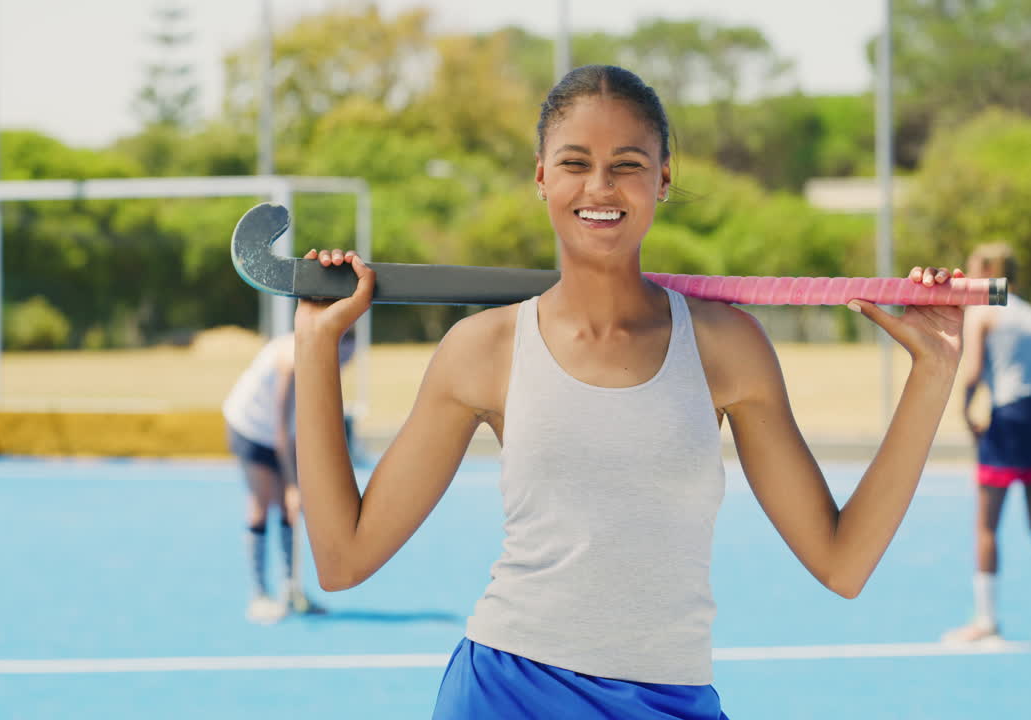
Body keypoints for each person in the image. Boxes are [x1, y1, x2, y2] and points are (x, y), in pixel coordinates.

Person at [292, 65, 965, 718]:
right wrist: (316, 347)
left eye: (628, 164)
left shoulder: (727, 347)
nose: (600, 186)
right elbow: (343, 558)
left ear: (663, 178)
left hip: (668, 699)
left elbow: (842, 563)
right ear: (541, 177)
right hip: (507, 694)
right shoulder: (483, 350)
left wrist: (933, 371)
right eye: (575, 162)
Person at [943, 243, 1031, 644]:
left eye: (971, 266)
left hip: (1008, 416)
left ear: (987, 270)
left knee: (986, 524)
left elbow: (972, 374)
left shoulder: (983, 310)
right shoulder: (1027, 311)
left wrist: (967, 415)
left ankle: (986, 621)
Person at [222, 328, 356, 623]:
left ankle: (291, 589)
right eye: (342, 359)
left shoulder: (319, 359)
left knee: (289, 510)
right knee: (262, 504)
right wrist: (295, 485)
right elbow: (281, 429)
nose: (343, 366)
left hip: (279, 434)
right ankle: (258, 595)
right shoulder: (291, 360)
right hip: (252, 428)